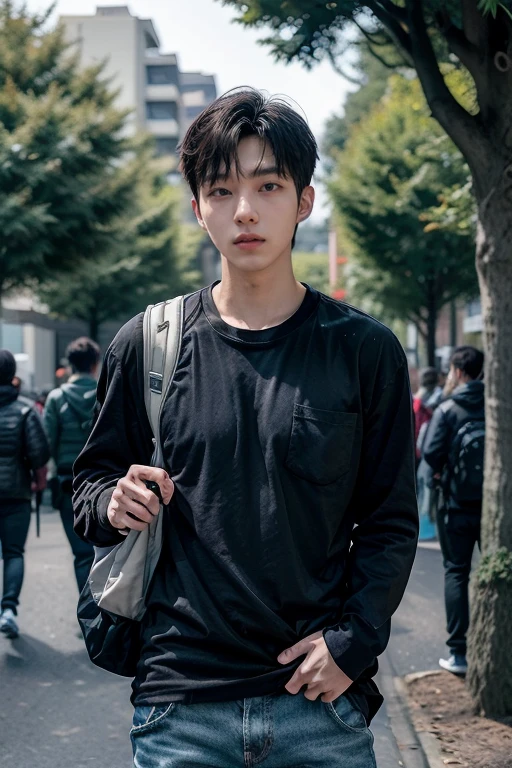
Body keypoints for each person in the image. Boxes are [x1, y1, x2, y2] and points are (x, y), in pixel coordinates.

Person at [73, 88, 418, 768]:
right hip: (180, 707)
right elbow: (88, 485)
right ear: (199, 209)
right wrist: (112, 501)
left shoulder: (362, 351)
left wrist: (352, 646)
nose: (247, 211)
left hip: (318, 707)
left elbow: (390, 520)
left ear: (305, 201)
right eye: (222, 190)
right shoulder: (147, 343)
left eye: (269, 185)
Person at [423, 345, 485, 676]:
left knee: (457, 572)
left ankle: (458, 653)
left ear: (458, 372)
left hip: (456, 506)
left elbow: (430, 453)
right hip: (494, 510)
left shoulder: (448, 409)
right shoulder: (498, 404)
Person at [0, 350, 50, 638]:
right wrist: (37, 482)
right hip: (16, 494)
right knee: (13, 552)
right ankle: (8, 610)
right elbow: (40, 453)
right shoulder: (25, 411)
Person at [44, 338, 99, 594]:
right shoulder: (105, 393)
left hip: (68, 482)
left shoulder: (56, 398)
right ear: (95, 365)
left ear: (69, 365)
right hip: (102, 480)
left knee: (82, 554)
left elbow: (48, 443)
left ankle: (89, 614)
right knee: (105, 549)